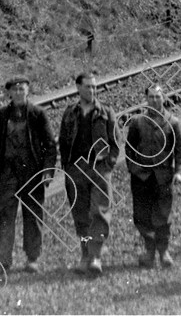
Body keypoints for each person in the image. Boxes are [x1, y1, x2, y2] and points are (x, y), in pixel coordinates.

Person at [0, 78, 57, 273]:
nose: (18, 92)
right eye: (15, 89)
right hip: (8, 174)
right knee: (3, 216)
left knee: (33, 215)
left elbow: (50, 145)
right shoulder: (2, 114)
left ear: (28, 91)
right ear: (9, 93)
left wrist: (48, 170)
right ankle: (1, 259)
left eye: (22, 89)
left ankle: (32, 258)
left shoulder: (37, 114)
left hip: (31, 172)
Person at [58, 70, 120, 276]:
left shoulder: (105, 112)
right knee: (80, 215)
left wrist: (107, 165)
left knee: (100, 213)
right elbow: (63, 142)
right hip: (76, 170)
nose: (92, 90)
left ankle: (95, 256)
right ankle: (85, 254)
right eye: (88, 86)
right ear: (78, 88)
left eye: (95, 86)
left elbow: (115, 143)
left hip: (99, 170)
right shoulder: (70, 113)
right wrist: (68, 168)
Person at [126, 83, 181, 268]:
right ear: (146, 99)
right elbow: (129, 149)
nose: (154, 100)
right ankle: (149, 252)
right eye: (151, 97)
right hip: (141, 177)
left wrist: (178, 172)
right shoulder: (137, 122)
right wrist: (134, 169)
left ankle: (163, 252)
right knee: (141, 215)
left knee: (162, 215)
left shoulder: (172, 122)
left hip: (163, 177)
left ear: (164, 98)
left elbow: (180, 150)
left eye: (158, 97)